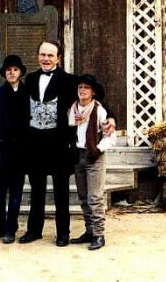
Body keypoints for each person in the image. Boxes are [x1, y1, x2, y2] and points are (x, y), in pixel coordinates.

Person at [0, 40, 116, 247]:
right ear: (38, 56)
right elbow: (13, 97)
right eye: (42, 55)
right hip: (34, 144)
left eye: (50, 55)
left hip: (59, 145)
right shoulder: (30, 79)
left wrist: (111, 116)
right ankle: (34, 230)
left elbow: (91, 96)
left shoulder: (69, 80)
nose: (46, 59)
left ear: (58, 58)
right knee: (37, 190)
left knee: (61, 191)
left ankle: (63, 233)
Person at [0, 54, 29, 244]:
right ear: (4, 73)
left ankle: (11, 228)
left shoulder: (28, 92)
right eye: (8, 70)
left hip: (20, 148)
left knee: (16, 190)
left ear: (20, 72)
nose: (12, 72)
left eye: (15, 69)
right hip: (1, 146)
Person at [68, 74, 117, 250]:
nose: (82, 90)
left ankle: (98, 234)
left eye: (86, 88)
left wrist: (97, 150)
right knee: (83, 196)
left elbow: (111, 137)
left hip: (94, 156)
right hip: (78, 156)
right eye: (80, 87)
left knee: (95, 197)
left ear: (93, 92)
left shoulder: (99, 110)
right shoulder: (72, 110)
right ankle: (89, 231)